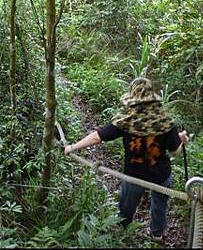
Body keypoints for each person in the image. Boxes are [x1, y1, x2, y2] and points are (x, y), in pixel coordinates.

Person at [64, 77, 189, 240]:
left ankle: (122, 234)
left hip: (134, 176)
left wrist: (72, 147)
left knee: (126, 208)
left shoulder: (125, 121)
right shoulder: (165, 122)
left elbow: (97, 137)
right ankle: (156, 235)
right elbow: (176, 151)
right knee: (160, 207)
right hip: (161, 176)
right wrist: (181, 140)